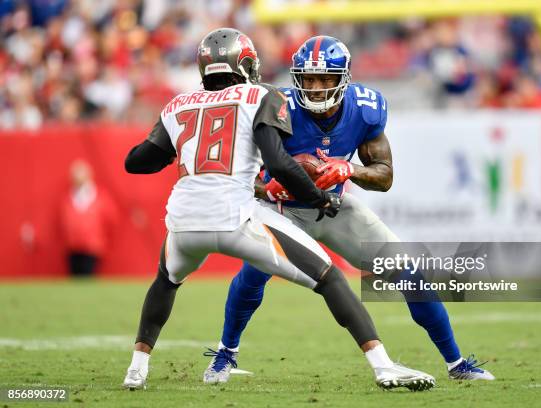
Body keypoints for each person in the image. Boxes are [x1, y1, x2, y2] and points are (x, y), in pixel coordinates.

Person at [121, 28, 435, 391]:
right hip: (237, 217)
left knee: (166, 281)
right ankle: (383, 366)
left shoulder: (179, 104)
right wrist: (320, 199)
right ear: (247, 63)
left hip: (183, 222)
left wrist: (180, 145)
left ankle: (136, 370)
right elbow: (281, 164)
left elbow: (136, 162)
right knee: (330, 277)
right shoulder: (261, 95)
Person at [204, 35, 495, 384]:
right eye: (308, 79)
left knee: (409, 274)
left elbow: (384, 176)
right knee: (253, 274)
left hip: (332, 207)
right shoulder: (275, 104)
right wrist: (269, 186)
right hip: (282, 209)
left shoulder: (365, 108)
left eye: (325, 79)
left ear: (343, 78)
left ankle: (457, 363)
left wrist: (349, 169)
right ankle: (225, 355)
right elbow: (232, 172)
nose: (315, 88)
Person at [59, 159, 118, 277]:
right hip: (73, 246)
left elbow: (110, 219)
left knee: (88, 277)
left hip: (92, 246)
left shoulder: (98, 195)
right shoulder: (69, 196)